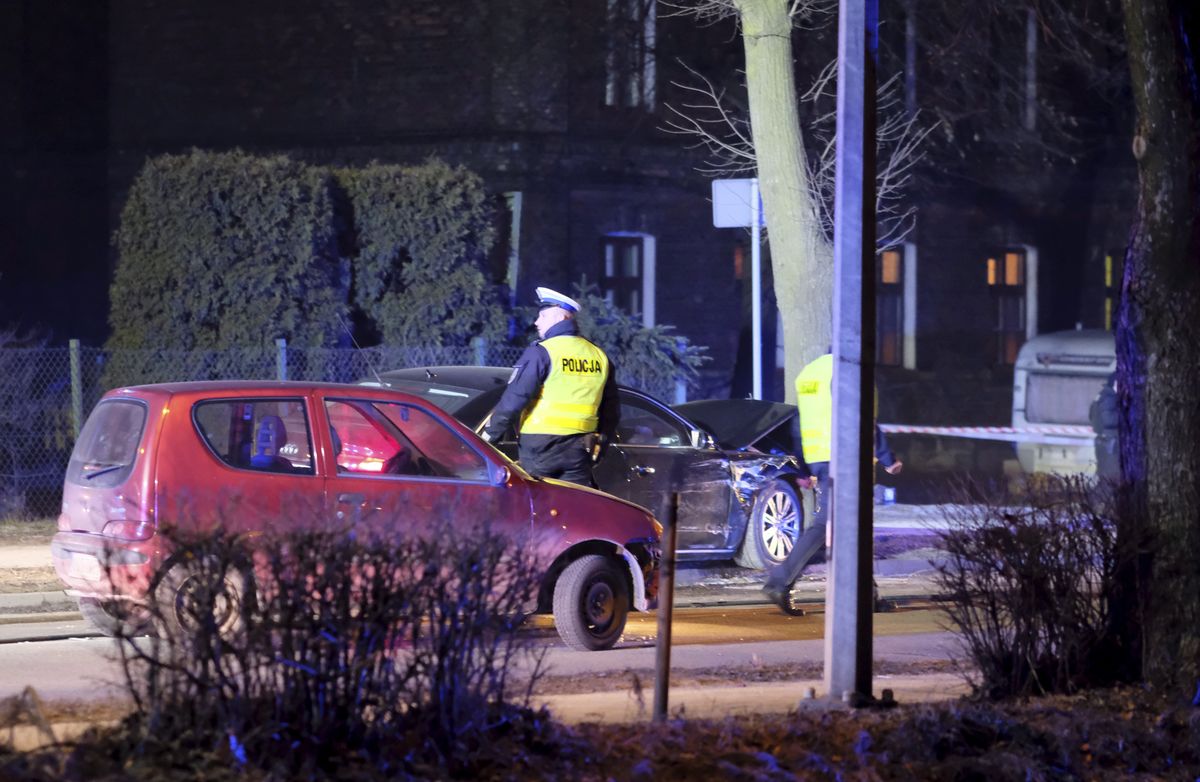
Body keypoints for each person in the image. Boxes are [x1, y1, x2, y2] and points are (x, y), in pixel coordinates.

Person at [762, 352, 902, 609]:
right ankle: (778, 581)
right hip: (846, 459)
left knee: (851, 529)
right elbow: (863, 418)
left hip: (820, 459)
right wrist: (887, 458)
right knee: (827, 526)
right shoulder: (850, 370)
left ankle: (865, 598)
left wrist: (803, 469)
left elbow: (798, 423)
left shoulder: (811, 372)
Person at [482, 286, 619, 487]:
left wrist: (488, 438)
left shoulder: (543, 352)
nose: (537, 322)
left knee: (538, 508)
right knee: (572, 506)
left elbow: (514, 400)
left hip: (540, 446)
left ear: (560, 317)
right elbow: (611, 410)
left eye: (543, 316)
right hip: (580, 448)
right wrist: (602, 445)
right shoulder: (598, 355)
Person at [1089, 371, 1119, 479]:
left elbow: (1093, 416)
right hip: (1111, 440)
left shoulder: (1102, 395)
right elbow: (1110, 420)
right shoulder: (1110, 398)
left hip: (1105, 440)